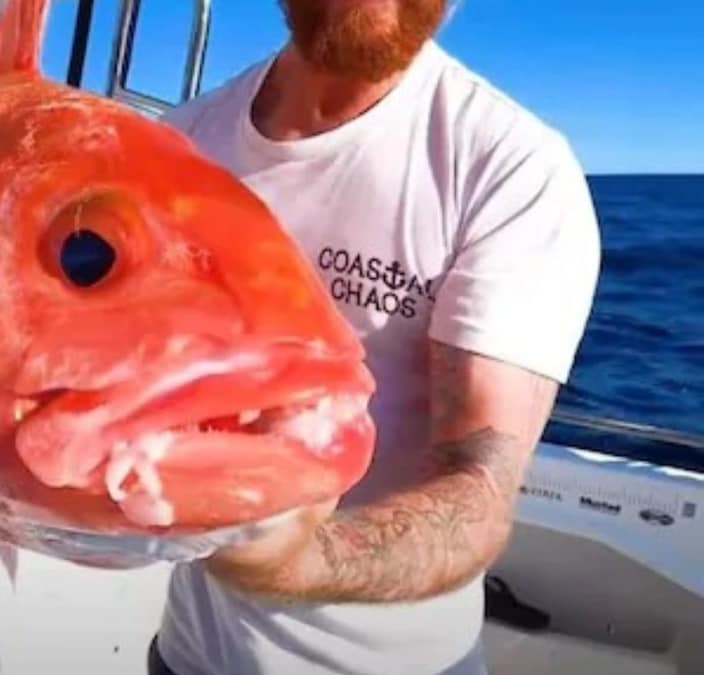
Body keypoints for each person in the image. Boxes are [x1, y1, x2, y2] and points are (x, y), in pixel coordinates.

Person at [148, 1, 602, 674]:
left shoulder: (509, 169)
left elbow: (477, 491)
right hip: (185, 654)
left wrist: (298, 559)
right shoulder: (177, 147)